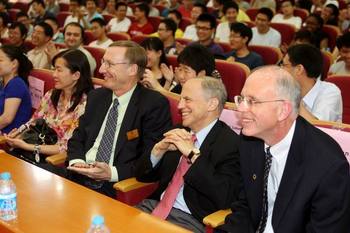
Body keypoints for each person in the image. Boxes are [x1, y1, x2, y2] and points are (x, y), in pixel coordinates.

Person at [221, 65, 350, 233]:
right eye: (242, 99)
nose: (241, 108)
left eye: (252, 101)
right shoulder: (250, 141)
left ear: (283, 111)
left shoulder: (328, 166)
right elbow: (245, 206)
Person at [66, 41, 172, 197]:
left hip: (114, 185)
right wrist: (76, 162)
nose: (102, 70)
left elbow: (150, 160)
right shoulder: (97, 96)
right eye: (103, 62)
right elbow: (78, 137)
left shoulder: (153, 105)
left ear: (132, 69)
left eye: (109, 64)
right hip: (76, 174)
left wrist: (111, 173)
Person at [136, 77, 241, 233]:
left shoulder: (231, 144)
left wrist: (192, 154)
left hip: (190, 220)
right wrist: (157, 151)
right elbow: (142, 177)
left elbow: (224, 196)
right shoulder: (180, 131)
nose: (179, 106)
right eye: (180, 99)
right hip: (153, 207)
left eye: (187, 100)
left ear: (211, 104)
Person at [5, 49, 93, 160]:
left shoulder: (85, 104)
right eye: (54, 69)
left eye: (59, 70)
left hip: (54, 160)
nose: (54, 75)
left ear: (76, 75)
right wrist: (18, 133)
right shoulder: (52, 94)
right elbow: (34, 121)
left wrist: (29, 147)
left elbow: (67, 147)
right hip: (34, 147)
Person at [281, 44, 342, 122]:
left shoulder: (330, 91)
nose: (281, 69)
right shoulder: (283, 88)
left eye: (284, 65)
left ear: (299, 69)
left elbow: (318, 128)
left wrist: (293, 99)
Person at [0, 45, 32, 134]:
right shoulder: (3, 82)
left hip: (9, 137)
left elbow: (6, 119)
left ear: (14, 63)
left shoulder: (16, 84)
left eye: (0, 60)